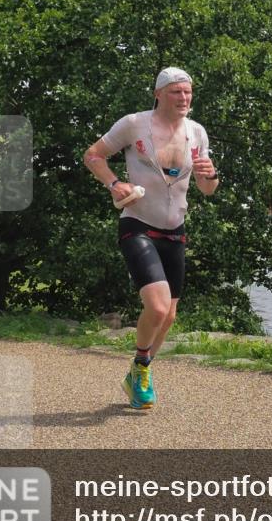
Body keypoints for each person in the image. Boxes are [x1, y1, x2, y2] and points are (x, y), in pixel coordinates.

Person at [82, 68, 219, 409]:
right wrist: (115, 184)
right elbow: (93, 155)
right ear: (158, 94)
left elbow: (207, 189)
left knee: (169, 316)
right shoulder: (134, 124)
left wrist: (210, 175)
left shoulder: (197, 133)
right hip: (138, 224)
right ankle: (142, 367)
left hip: (175, 230)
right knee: (157, 308)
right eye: (176, 92)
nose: (184, 98)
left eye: (187, 92)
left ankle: (138, 372)